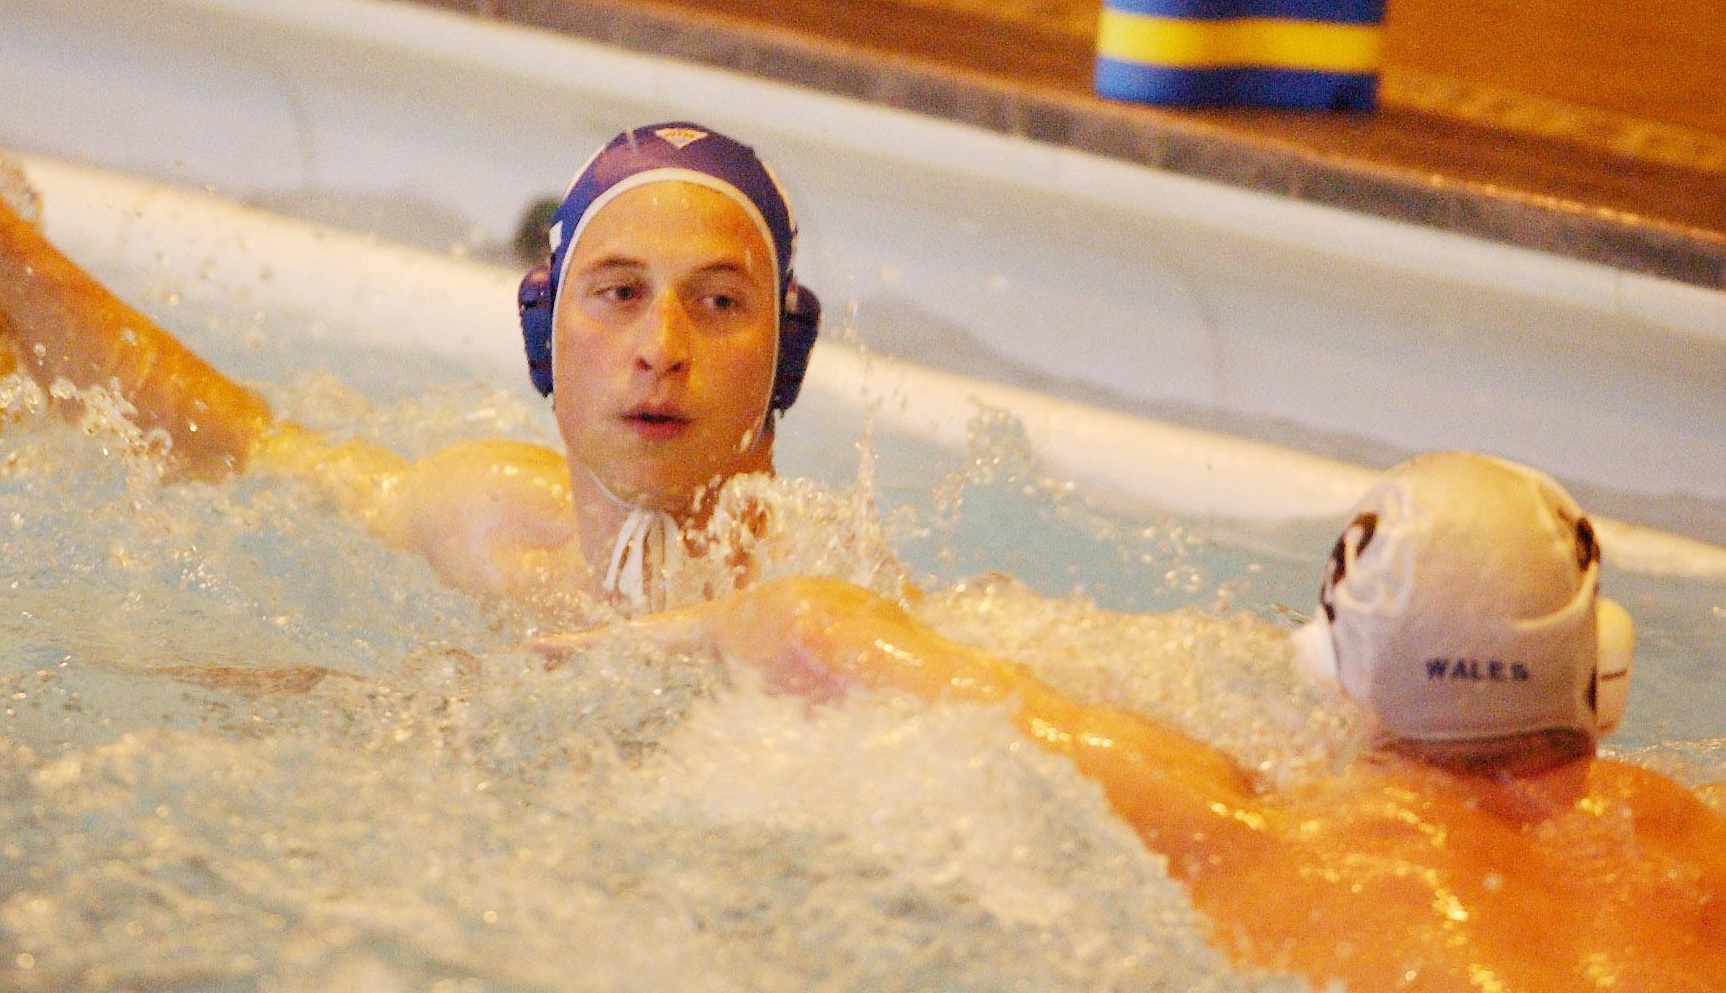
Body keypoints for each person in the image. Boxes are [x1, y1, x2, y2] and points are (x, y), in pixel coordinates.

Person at [539, 453, 1726, 991]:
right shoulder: (1690, 846)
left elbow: (812, 626)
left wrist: (604, 645)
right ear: (1596, 666)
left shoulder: (1244, 834)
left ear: (1338, 667)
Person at [0, 123, 818, 610]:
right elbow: (235, 442)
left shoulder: (817, 610)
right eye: (617, 292)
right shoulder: (486, 521)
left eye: (718, 301)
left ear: (785, 352)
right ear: (544, 340)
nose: (661, 347)